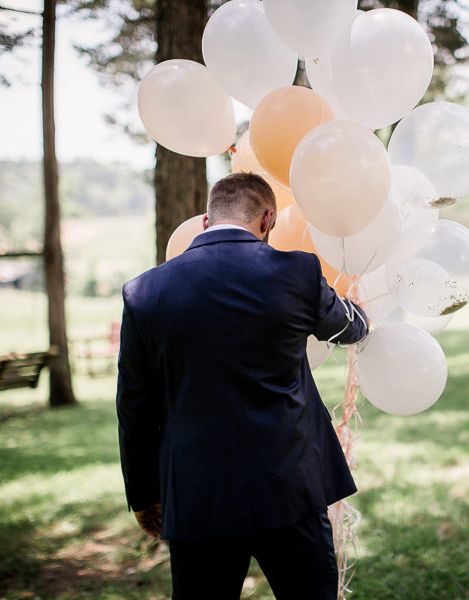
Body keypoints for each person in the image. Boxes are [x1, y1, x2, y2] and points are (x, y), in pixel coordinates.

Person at [116, 172, 368, 599]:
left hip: (198, 497)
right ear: (268, 218)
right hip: (290, 488)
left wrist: (144, 497)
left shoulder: (144, 293)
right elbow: (350, 328)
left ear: (205, 222)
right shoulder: (298, 272)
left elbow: (134, 410)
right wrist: (361, 312)